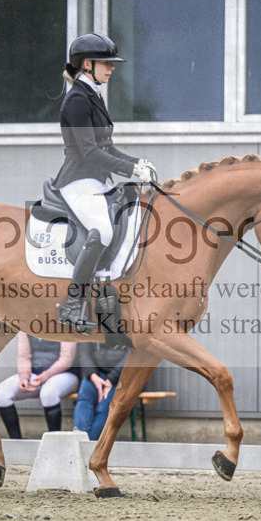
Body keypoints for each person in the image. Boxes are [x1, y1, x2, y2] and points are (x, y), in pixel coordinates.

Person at [54, 32, 157, 328]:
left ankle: (108, 302)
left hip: (98, 180)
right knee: (103, 230)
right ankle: (72, 306)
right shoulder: (77, 99)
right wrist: (130, 170)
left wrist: (137, 163)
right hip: (78, 180)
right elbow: (89, 152)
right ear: (87, 64)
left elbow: (107, 148)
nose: (112, 68)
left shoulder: (93, 95)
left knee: (131, 219)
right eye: (106, 63)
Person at [0, 332, 78, 438]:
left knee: (48, 393)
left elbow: (67, 359)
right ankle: (16, 440)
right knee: (2, 392)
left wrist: (45, 376)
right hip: (35, 374)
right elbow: (24, 356)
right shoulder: (26, 326)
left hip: (64, 373)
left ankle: (54, 440)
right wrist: (24, 377)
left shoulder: (66, 325)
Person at [73, 341, 130, 440]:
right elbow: (84, 353)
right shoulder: (89, 330)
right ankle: (80, 439)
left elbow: (132, 356)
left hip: (123, 377)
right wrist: (93, 376)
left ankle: (92, 443)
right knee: (84, 397)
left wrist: (111, 379)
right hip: (95, 374)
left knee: (106, 405)